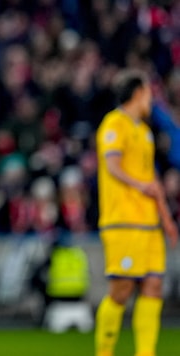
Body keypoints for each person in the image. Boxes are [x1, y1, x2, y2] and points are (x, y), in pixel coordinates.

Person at [95, 69, 178, 356]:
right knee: (121, 289)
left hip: (148, 221)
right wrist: (141, 185)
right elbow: (112, 165)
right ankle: (104, 351)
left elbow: (151, 180)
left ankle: (146, 353)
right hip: (122, 220)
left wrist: (166, 219)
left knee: (154, 285)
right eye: (148, 93)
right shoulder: (114, 124)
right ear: (137, 93)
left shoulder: (143, 132)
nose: (151, 100)